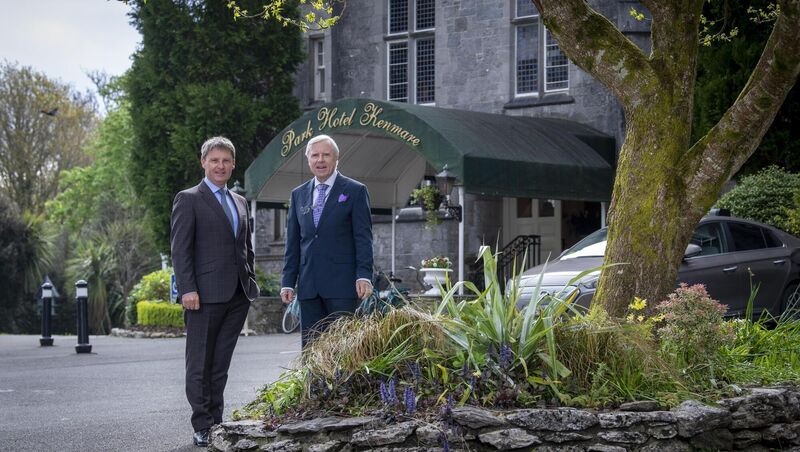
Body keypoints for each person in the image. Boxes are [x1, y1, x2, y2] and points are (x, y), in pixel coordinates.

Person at [170, 136, 259, 447]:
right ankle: (201, 424)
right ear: (203, 162)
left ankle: (217, 422)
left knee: (220, 363)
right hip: (203, 297)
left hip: (237, 296)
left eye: (226, 161)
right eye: (214, 160)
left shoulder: (240, 202)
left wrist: (250, 279)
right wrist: (187, 289)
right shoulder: (189, 198)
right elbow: (180, 251)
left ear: (233, 165)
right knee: (200, 363)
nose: (220, 165)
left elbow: (245, 248)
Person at [281, 134, 374, 348]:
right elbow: (293, 243)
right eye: (315, 155)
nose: (320, 160)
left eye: (326, 155)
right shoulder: (298, 195)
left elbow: (363, 238)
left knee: (343, 350)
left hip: (342, 287)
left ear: (336, 159)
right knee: (311, 350)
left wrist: (364, 275)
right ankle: (313, 384)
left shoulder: (355, 191)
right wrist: (288, 281)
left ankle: (343, 384)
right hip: (309, 287)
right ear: (308, 160)